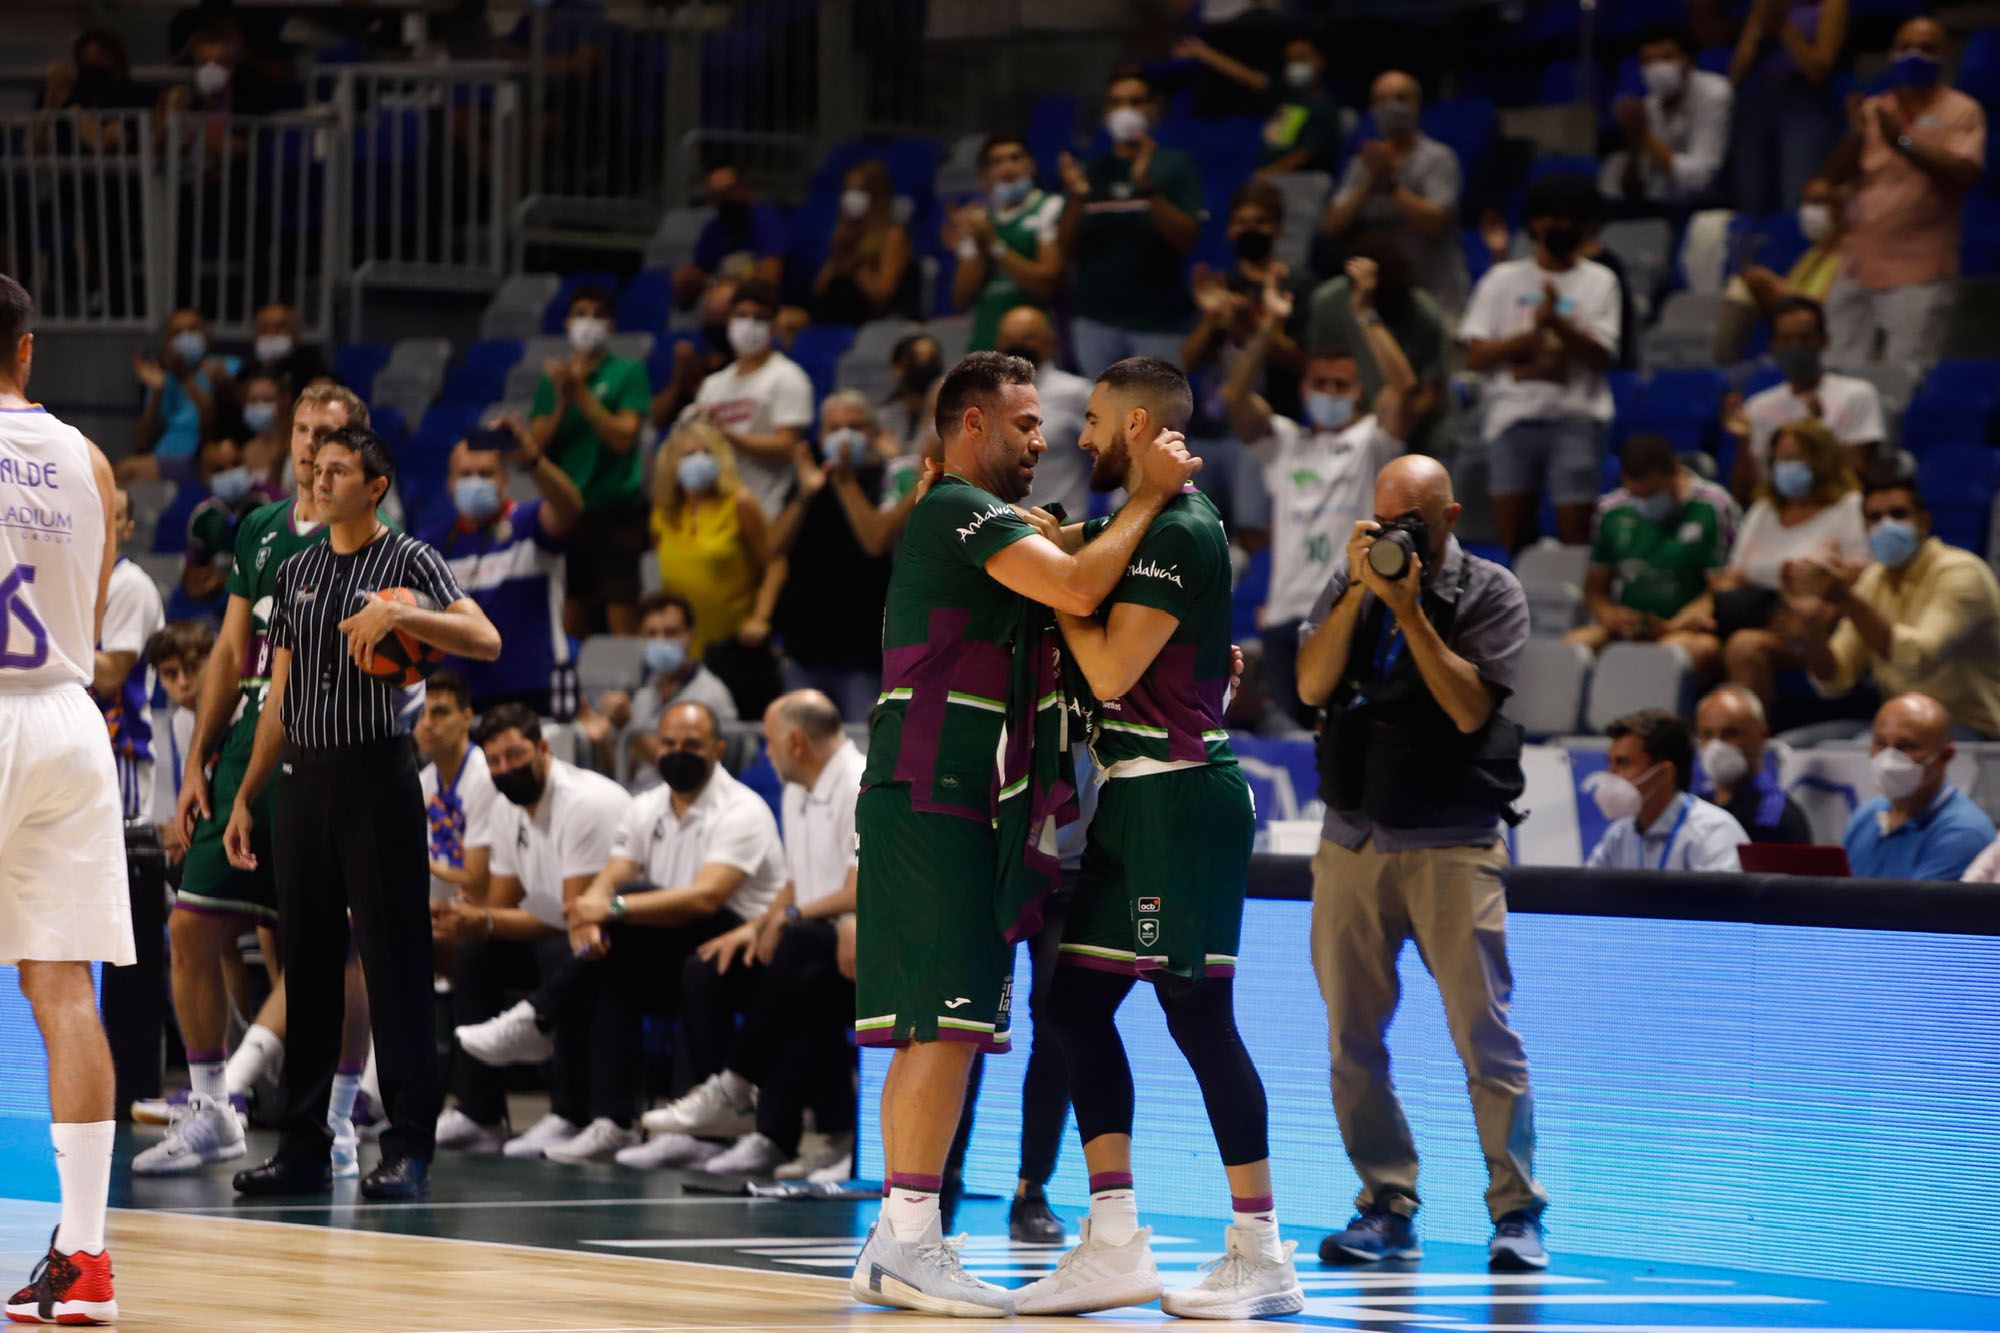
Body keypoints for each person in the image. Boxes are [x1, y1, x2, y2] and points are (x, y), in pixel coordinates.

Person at [848, 351, 1198, 1317]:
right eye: (1024, 423)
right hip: (934, 784)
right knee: (940, 1021)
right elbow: (1084, 587)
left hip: (971, 793)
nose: (1043, 440)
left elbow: (1079, 564)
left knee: (950, 1025)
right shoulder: (957, 508)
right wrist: (1153, 497)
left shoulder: (994, 524)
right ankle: (906, 1240)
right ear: (969, 427)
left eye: (1047, 422)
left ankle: (904, 1235)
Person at [1013, 358, 1303, 1320]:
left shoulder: (1178, 528)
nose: (1080, 437)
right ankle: (1112, 1241)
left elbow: (1103, 670)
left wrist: (1060, 598)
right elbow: (1063, 546)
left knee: (1195, 1014)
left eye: (1093, 421)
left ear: (1138, 424)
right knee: (1075, 1006)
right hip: (1132, 802)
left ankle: (1262, 1253)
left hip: (1181, 799)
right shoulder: (1140, 517)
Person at [223, 423, 501, 1200]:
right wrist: (248, 791)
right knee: (306, 963)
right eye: (316, 466)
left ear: (374, 486)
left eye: (338, 469)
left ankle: (409, 1144)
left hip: (377, 774)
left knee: (394, 961)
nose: (320, 477)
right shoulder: (301, 565)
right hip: (302, 777)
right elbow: (279, 693)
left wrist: (405, 618)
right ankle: (304, 1143)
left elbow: (484, 637)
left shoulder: (409, 558)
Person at [1296, 454, 1550, 1272]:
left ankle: (1516, 1212)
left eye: (1415, 519)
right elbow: (1310, 683)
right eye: (1386, 517)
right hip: (1353, 839)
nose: (1400, 532)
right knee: (1350, 1038)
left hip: (1452, 840)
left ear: (1449, 517)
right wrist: (1358, 591)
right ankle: (1386, 1201)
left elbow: (1471, 704)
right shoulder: (1353, 582)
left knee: (1485, 1036)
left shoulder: (1491, 591)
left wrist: (1409, 612)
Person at [145, 384, 379, 1178]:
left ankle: (343, 1119)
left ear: (359, 448)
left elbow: (311, 674)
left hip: (331, 746)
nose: (311, 446)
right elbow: (229, 651)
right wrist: (201, 761)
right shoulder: (260, 530)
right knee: (190, 925)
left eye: (329, 433)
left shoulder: (371, 538)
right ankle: (214, 1108)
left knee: (331, 950)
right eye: (303, 431)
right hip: (251, 736)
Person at [455, 702, 786, 1164]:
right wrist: (595, 908)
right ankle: (612, 1122)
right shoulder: (647, 805)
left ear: (719, 749)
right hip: (673, 944)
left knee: (647, 933)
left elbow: (705, 898)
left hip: (745, 946)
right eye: (668, 743)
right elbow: (614, 872)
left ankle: (539, 1021)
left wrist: (608, 905)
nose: (677, 752)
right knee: (606, 958)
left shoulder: (742, 809)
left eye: (691, 745)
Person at [0, 274, 129, 1328]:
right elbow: (91, 599)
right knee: (65, 991)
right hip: (70, 718)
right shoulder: (89, 459)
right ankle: (84, 1260)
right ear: (27, 349)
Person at [643, 690, 861, 1178]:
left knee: (797, 945)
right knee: (715, 966)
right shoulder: (800, 786)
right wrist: (757, 925)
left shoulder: (856, 783)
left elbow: (857, 889)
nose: (766, 754)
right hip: (815, 947)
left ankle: (735, 1087)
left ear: (797, 742)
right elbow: (794, 883)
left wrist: (789, 918)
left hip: (867, 944)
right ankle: (790, 1135)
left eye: (769, 742)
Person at [1224, 257, 1414, 727]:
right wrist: (1270, 328)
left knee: (1348, 727)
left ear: (1357, 393)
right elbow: (1234, 398)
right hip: (1287, 613)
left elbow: (1403, 387)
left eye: (1340, 385)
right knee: (1309, 731)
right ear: (1305, 387)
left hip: (1348, 607)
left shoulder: (1372, 441)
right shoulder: (1286, 443)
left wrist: (1365, 314)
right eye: (1320, 383)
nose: (1329, 391)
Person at [435, 704, 630, 1157]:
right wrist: (466, 919)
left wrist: (482, 918)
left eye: (516, 755)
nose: (506, 769)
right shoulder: (508, 807)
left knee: (558, 953)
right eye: (496, 761)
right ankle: (479, 1115)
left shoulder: (584, 802)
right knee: (475, 954)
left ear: (543, 748)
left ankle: (570, 1112)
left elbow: (574, 911)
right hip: (559, 926)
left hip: (614, 931)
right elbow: (502, 904)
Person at [1459, 174, 1621, 553]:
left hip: (1576, 418)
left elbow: (1603, 355)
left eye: (1572, 219)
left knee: (1576, 539)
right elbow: (1475, 354)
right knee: (1512, 540)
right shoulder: (1503, 280)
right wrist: (1528, 339)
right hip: (1511, 419)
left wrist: (1557, 324)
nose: (1562, 227)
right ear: (1535, 222)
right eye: (1553, 218)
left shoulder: (1600, 281)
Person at [1821, 16, 1986, 371]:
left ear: (1945, 55)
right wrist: (1853, 135)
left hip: (1919, 271)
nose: (1915, 56)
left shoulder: (1961, 110)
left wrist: (1904, 142)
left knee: (1906, 375)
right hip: (1857, 263)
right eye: (1906, 47)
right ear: (1892, 53)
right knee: (1836, 373)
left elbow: (1964, 172)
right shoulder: (1874, 108)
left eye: (1926, 49)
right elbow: (1830, 179)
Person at [1791, 470, 2000, 740]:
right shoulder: (1872, 580)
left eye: (1898, 514)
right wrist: (1812, 624)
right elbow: (1834, 680)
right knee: (1791, 748)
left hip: (1971, 728)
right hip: (1900, 726)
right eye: (1874, 518)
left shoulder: (1962, 573)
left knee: (1864, 750)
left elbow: (1918, 657)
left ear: (1924, 522)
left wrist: (1846, 598)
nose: (1885, 525)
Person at [419, 418, 582, 715]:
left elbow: (570, 509)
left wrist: (533, 460)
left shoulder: (529, 523)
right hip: (462, 694)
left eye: (485, 474)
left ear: (504, 481)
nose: (475, 482)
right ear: (450, 484)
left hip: (534, 686)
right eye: (466, 474)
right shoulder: (433, 543)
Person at [1706, 419, 1868, 705]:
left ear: (1822, 460)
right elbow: (1735, 574)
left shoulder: (1849, 507)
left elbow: (1860, 576)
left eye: (1795, 459)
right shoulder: (1764, 509)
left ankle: (1748, 739)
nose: (1786, 467)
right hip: (1755, 613)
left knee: (1744, 647)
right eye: (1780, 460)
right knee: (1691, 645)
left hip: (1816, 626)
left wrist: (1810, 620)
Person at [1059, 69, 1205, 375]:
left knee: (1158, 418)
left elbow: (1186, 240)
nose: (1125, 110)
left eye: (1135, 102)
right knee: (1103, 418)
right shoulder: (1088, 171)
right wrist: (1076, 200)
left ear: (1153, 109)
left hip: (1159, 322)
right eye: (1117, 102)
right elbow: (1065, 250)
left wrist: (1148, 189)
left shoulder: (1175, 166)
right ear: (1105, 112)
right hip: (1094, 320)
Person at [768, 393, 900, 722]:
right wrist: (804, 496)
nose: (844, 436)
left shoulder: (887, 478)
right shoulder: (808, 478)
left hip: (864, 653)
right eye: (834, 428)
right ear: (821, 435)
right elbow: (771, 548)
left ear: (873, 433)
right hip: (805, 650)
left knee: (863, 756)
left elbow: (876, 542)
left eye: (854, 427)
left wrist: (843, 481)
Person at [529, 284, 650, 637]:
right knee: (570, 607)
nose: (589, 322)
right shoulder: (551, 384)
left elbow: (624, 438)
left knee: (621, 607)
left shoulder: (627, 372)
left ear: (611, 326)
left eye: (598, 315)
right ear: (567, 323)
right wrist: (563, 401)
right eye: (581, 314)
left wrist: (581, 394)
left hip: (616, 511)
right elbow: (535, 448)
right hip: (569, 511)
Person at [1566, 434, 1736, 677]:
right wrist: (1610, 614)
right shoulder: (1610, 510)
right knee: (1575, 645)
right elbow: (1594, 590)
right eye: (1636, 496)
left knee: (1668, 653)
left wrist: (1673, 624)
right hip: (1630, 628)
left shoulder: (1714, 506)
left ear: (1675, 471)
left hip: (1688, 630)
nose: (1643, 503)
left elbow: (1722, 589)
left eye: (1653, 493)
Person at [1322, 71, 1466, 316]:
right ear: (1373, 108)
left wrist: (1389, 186)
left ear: (1417, 105)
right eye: (1383, 100)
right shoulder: (1362, 164)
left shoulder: (1438, 158)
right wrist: (1369, 180)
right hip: (1379, 296)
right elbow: (1332, 225)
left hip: (1436, 296)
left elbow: (1434, 222)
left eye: (1401, 98)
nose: (1392, 107)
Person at [1725, 295, 1885, 500]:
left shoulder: (1858, 394)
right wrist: (1743, 442)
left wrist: (1818, 428)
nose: (1796, 348)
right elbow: (1746, 494)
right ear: (1774, 345)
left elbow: (1858, 476)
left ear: (1823, 340)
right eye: (1787, 340)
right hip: (1778, 511)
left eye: (1804, 339)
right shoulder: (1758, 406)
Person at [1306, 231, 1452, 455]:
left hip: (1411, 435)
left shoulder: (1423, 313)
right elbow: (1321, 371)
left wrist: (1389, 426)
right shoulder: (1329, 302)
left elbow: (1430, 390)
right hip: (1343, 429)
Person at [646, 421, 780, 658]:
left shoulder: (740, 503)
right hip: (681, 645)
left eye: (707, 452)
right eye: (689, 454)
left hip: (734, 643)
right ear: (673, 463)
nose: (698, 459)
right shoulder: (663, 513)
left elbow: (775, 562)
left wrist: (760, 617)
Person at [576, 591, 739, 783]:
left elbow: (687, 770)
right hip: (641, 800)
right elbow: (622, 774)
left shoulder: (712, 694)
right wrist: (602, 741)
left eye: (671, 633)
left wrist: (628, 726)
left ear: (690, 634)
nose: (661, 641)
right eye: (652, 634)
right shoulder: (644, 696)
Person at [1183, 180, 1310, 423]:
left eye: (1260, 222)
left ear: (1278, 228)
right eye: (1241, 222)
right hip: (1215, 424)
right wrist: (1211, 319)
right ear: (1230, 229)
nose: (1249, 230)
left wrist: (1251, 324)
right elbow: (1189, 362)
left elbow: (1300, 363)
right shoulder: (1218, 285)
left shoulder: (1298, 286)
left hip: (1273, 423)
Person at [691, 280, 815, 519]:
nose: (749, 324)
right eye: (742, 315)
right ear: (729, 319)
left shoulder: (787, 377)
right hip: (718, 510)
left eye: (760, 318)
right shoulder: (713, 384)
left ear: (773, 326)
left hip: (766, 507)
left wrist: (728, 435)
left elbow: (787, 445)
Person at [1842, 692, 1995, 879]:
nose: (1888, 759)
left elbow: (1913, 908)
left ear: (1945, 756)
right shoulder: (1865, 816)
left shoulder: (1964, 832)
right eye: (1881, 744)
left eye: (1905, 747)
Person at [1586, 708, 1750, 871]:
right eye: (1610, 763)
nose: (1611, 774)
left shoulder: (1714, 833)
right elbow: (1585, 892)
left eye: (1623, 763)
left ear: (1664, 773)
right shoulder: (1619, 834)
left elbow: (1727, 897)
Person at [1728, 0, 1848, 217]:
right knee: (1751, 201)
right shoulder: (1765, 5)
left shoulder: (1831, 4)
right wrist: (1758, 27)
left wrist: (1782, 24)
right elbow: (1735, 76)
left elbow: (1818, 70)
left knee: (1796, 200)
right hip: (1758, 100)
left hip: (1804, 100)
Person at [946, 137, 1065, 352]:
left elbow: (1046, 284)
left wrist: (995, 246)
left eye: (1015, 158)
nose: (1007, 168)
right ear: (985, 175)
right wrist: (976, 243)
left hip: (1032, 344)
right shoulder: (979, 218)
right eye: (997, 161)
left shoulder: (1049, 207)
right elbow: (960, 299)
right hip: (985, 340)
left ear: (1032, 165)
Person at [1716, 176, 1852, 361]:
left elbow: (1831, 311)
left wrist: (1775, 286)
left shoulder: (1853, 256)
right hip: (1790, 334)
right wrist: (1763, 288)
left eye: (1819, 202)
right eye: (1806, 203)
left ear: (1842, 208)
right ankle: (1723, 368)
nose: (1810, 211)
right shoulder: (1813, 254)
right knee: (1739, 290)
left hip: (1825, 343)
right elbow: (1789, 299)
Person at [92, 487, 167, 825]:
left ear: (128, 529)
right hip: (84, 746)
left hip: (121, 750)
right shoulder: (80, 581)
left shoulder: (130, 585)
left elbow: (109, 677)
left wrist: (46, 643)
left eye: (116, 514)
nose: (104, 519)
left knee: (120, 870)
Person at [1599, 29, 1732, 214]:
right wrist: (1633, 145)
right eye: (1648, 62)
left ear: (1689, 61)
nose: (1657, 68)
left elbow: (1701, 178)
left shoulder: (1715, 94)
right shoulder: (1649, 106)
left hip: (1713, 205)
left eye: (1666, 58)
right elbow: (1641, 185)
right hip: (1664, 208)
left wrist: (1644, 135)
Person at [1174, 32, 1342, 176]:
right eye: (1290, 60)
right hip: (1272, 177)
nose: (1295, 66)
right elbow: (1247, 77)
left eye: (1301, 59)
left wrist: (1268, 174)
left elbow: (1306, 153)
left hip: (1301, 181)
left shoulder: (1324, 107)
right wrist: (1203, 53)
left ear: (1321, 62)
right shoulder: (1288, 96)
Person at [996, 307, 1094, 521]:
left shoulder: (1076, 392)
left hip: (1064, 527)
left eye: (1027, 337)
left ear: (1050, 342)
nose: (1017, 345)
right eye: (1009, 338)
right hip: (1003, 529)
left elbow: (1111, 451)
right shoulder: (988, 396)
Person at [122, 308, 238, 483]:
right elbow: (142, 441)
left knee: (128, 470)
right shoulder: (163, 378)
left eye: (193, 330)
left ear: (207, 335)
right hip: (162, 457)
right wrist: (156, 392)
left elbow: (215, 424)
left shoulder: (226, 368)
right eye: (178, 333)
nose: (186, 337)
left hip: (201, 458)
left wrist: (185, 377)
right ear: (168, 342)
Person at [414, 671, 497, 913]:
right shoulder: (422, 780)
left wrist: (418, 861)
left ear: (467, 717)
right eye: (420, 714)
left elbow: (478, 883)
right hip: (438, 904)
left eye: (440, 712)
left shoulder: (486, 778)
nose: (427, 723)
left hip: (483, 909)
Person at [1692, 685, 1814, 844]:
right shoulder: (1696, 807)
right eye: (1707, 735)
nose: (1716, 745)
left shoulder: (1774, 815)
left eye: (1730, 734)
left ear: (1762, 735)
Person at [145, 619, 216, 866]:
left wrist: (189, 825)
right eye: (170, 674)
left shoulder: (242, 709)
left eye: (192, 668)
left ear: (214, 661)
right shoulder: (182, 721)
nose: (183, 682)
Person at [812, 159, 916, 325]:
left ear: (877, 196)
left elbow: (882, 297)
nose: (851, 197)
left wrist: (854, 265)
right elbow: (819, 292)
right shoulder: (842, 235)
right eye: (848, 189)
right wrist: (839, 252)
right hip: (832, 320)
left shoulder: (893, 236)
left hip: (872, 324)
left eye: (860, 190)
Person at [676, 165, 786, 310]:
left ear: (745, 190)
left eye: (729, 191)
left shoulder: (767, 220)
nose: (724, 199)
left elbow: (769, 279)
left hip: (766, 306)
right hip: (721, 298)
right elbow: (700, 272)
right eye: (717, 194)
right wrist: (688, 280)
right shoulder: (714, 228)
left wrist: (729, 288)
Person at [878, 333, 946, 456]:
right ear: (896, 369)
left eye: (931, 358)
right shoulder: (883, 418)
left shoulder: (951, 418)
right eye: (916, 358)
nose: (925, 365)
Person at [241, 302, 328, 396]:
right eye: (264, 328)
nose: (271, 333)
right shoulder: (244, 377)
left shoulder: (315, 377)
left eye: (280, 327)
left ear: (295, 333)